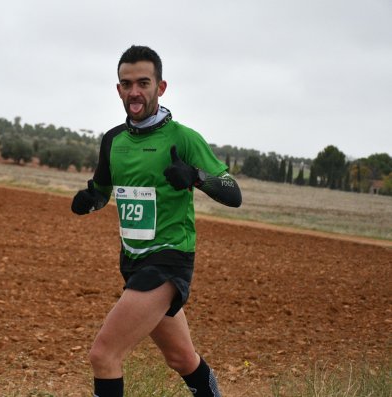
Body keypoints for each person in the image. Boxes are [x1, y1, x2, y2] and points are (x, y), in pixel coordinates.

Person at [71, 45, 242, 397]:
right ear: (118, 89)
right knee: (183, 358)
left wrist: (195, 176)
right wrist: (90, 201)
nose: (134, 91)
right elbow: (102, 190)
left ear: (160, 87)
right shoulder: (113, 141)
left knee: (104, 355)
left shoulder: (183, 138)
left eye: (143, 83)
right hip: (133, 262)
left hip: (169, 260)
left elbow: (232, 192)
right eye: (126, 83)